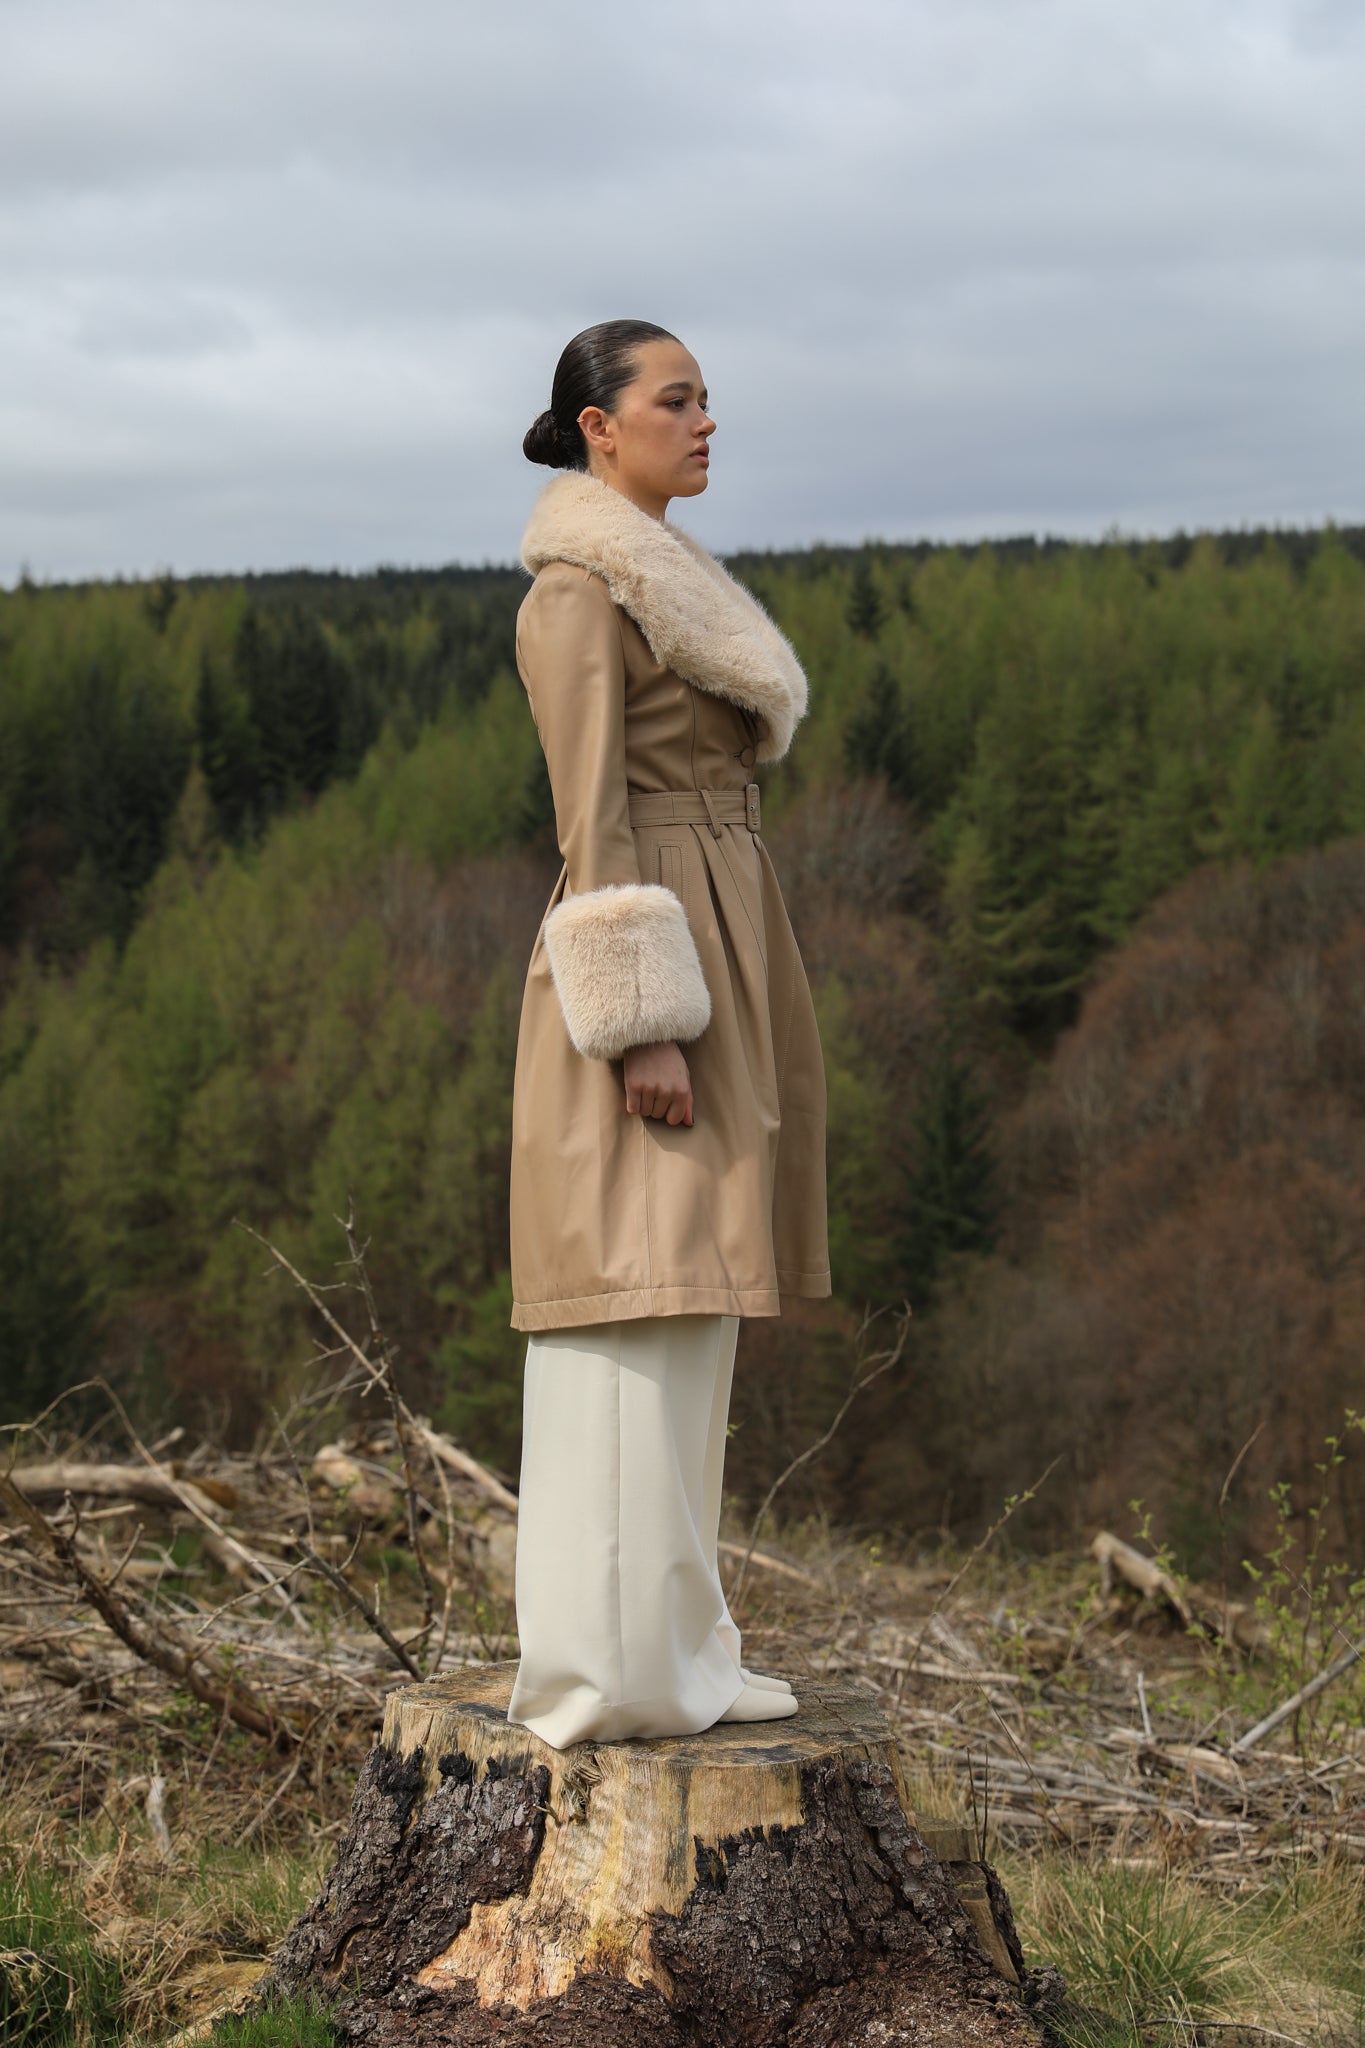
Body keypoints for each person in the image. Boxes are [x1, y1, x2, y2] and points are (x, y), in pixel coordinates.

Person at [504, 319, 830, 1750]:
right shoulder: (581, 593)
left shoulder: (662, 574)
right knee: (634, 1287)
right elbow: (592, 820)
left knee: (698, 1287)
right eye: (675, 399)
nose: (706, 422)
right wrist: (639, 1022)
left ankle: (688, 1647)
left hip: (722, 916)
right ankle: (614, 1675)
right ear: (596, 424)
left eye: (708, 399)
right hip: (650, 944)